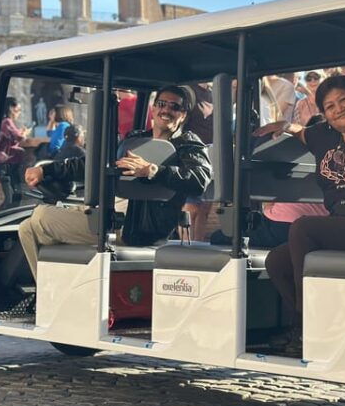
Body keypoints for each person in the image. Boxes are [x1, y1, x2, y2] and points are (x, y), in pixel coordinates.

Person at [255, 75, 345, 355]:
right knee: (277, 261)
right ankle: (317, 322)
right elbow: (300, 131)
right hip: (341, 225)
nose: (339, 109)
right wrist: (284, 125)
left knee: (303, 228)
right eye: (330, 106)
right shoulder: (325, 136)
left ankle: (303, 325)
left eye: (344, 100)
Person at [18, 86, 212, 278]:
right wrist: (46, 170)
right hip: (109, 211)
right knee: (27, 228)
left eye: (174, 107)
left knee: (42, 215)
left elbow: (200, 178)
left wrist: (153, 170)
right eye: (161, 104)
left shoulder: (187, 144)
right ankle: (48, 296)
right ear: (153, 108)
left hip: (134, 228)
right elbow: (95, 163)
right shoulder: (136, 140)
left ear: (183, 115)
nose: (166, 110)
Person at [182, 82, 215, 241]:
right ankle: (184, 250)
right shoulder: (189, 91)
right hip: (191, 156)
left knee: (204, 209)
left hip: (210, 155)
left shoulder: (214, 92)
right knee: (190, 208)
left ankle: (198, 246)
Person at [0, 97, 31, 210]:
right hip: (6, 165)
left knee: (15, 196)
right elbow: (18, 137)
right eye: (18, 110)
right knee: (11, 197)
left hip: (9, 164)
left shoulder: (5, 122)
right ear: (11, 108)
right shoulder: (7, 122)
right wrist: (25, 133)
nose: (19, 113)